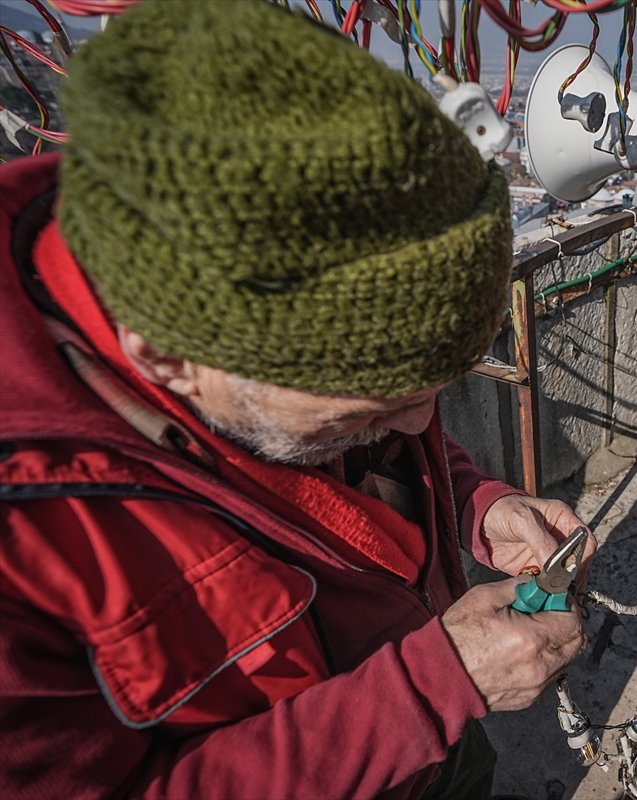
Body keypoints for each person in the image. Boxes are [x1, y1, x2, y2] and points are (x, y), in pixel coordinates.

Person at [0, 2, 593, 798]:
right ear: (168, 355)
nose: (419, 425)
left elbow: (381, 463)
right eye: (370, 411)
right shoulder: (23, 539)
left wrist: (474, 503)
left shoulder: (281, 354)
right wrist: (422, 691)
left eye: (429, 397)